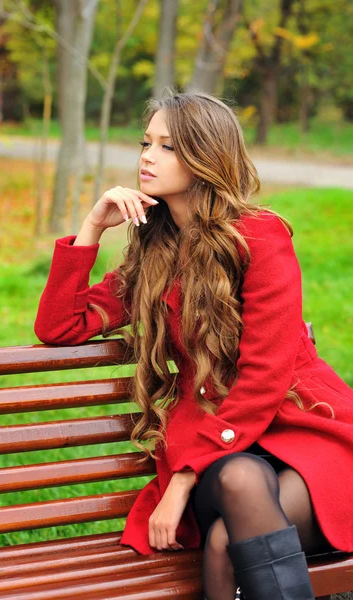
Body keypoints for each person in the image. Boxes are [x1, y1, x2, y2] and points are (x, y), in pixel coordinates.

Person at [34, 89, 353, 600]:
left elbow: (265, 378)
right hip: (217, 453)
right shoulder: (153, 255)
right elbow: (59, 326)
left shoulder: (260, 237)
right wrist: (91, 227)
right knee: (239, 481)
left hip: (298, 431)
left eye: (167, 147)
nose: (146, 156)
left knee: (228, 537)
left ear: (205, 157)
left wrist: (180, 483)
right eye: (146, 143)